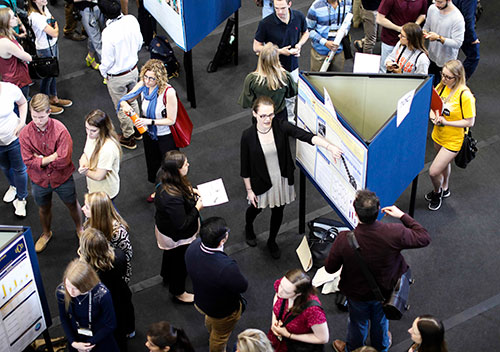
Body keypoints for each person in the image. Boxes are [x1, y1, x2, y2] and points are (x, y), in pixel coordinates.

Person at [326, 190, 431, 352]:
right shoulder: (394, 232)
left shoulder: (344, 239)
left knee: (357, 322)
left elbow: (330, 268)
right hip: (385, 292)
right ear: (379, 209)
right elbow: (424, 237)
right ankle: (381, 347)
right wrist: (402, 215)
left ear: (355, 213)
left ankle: (353, 349)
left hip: (356, 293)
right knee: (381, 321)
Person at [240, 96, 342, 259]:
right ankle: (248, 227)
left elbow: (305, 136)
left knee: (278, 210)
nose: (267, 119)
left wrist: (329, 146)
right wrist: (249, 190)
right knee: (256, 208)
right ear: (254, 114)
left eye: (271, 115)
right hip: (261, 180)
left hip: (281, 179)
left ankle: (272, 240)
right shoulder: (248, 136)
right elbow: (244, 166)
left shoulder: (280, 126)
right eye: (263, 116)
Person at [19, 93, 83, 252]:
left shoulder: (61, 130)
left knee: (72, 204)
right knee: (43, 208)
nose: (37, 121)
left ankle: (80, 229)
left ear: (49, 112)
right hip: (39, 181)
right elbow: (27, 161)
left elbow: (63, 160)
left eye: (41, 117)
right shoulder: (25, 133)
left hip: (62, 178)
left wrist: (39, 160)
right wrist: (50, 157)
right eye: (34, 117)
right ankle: (46, 233)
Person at [185, 217, 248, 352]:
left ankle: (211, 329)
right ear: (222, 240)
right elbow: (242, 286)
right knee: (219, 337)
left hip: (201, 300)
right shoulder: (225, 267)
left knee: (211, 322)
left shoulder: (193, 246)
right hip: (222, 310)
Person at [119, 59, 178, 202]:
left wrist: (148, 121)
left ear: (159, 78)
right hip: (149, 134)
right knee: (153, 164)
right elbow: (124, 99)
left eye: (152, 78)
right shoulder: (143, 86)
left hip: (165, 135)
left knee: (170, 166)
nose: (147, 81)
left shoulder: (168, 92)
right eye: (145, 76)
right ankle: (158, 190)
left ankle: (173, 191)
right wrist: (125, 105)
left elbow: (171, 120)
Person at [426, 59, 475, 211]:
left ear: (458, 77)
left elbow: (469, 122)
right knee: (444, 164)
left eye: (448, 77)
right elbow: (433, 105)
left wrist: (446, 122)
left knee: (433, 171)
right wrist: (433, 116)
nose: (444, 79)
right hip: (438, 135)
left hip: (453, 140)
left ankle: (437, 191)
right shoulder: (441, 86)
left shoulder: (465, 96)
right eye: (443, 75)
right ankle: (445, 187)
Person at [154, 151, 201, 304]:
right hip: (177, 236)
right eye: (185, 164)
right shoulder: (171, 197)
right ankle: (178, 292)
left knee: (170, 256)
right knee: (180, 263)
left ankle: (166, 275)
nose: (188, 165)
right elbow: (182, 224)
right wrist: (197, 207)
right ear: (177, 170)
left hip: (166, 230)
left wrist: (191, 191)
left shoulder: (164, 175)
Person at [78, 228, 135, 351]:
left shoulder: (90, 272)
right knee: (126, 313)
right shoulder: (119, 255)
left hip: (106, 303)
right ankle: (130, 331)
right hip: (122, 292)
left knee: (115, 330)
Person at [253, 0, 309, 121]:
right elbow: (256, 47)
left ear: (290, 4)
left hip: (292, 66)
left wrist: (299, 45)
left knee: (291, 97)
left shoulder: (298, 16)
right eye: (276, 8)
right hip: (272, 67)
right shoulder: (265, 23)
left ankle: (289, 120)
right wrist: (279, 51)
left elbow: (306, 33)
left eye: (282, 8)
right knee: (274, 98)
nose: (279, 12)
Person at [99, 2, 143, 150]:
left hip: (117, 76)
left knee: (122, 107)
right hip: (133, 70)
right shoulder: (131, 20)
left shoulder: (108, 32)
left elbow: (107, 59)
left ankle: (128, 137)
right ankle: (138, 129)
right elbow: (139, 42)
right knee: (133, 101)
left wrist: (104, 73)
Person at [56, 259, 119, 352]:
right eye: (67, 286)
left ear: (85, 285)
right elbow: (64, 318)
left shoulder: (101, 294)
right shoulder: (62, 291)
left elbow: (110, 324)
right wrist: (73, 342)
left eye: (75, 288)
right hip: (76, 338)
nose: (70, 291)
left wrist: (88, 345)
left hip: (99, 338)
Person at [28, 0, 73, 115]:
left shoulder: (44, 8)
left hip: (52, 46)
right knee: (47, 77)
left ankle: (54, 98)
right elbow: (54, 32)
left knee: (53, 73)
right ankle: (45, 103)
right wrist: (55, 28)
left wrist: (54, 27)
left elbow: (53, 21)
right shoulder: (35, 16)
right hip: (44, 49)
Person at [267, 269, 329, 352]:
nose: (280, 291)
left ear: (299, 293)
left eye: (286, 291)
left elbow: (323, 338)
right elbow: (277, 297)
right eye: (281, 286)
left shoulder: (313, 311)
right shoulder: (284, 286)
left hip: (295, 345)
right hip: (279, 337)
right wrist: (274, 321)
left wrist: (288, 335)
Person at [238, 43, 297, 122]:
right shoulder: (285, 77)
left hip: (261, 118)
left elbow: (246, 102)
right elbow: (292, 93)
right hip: (280, 117)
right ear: (276, 59)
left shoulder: (251, 79)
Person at [82, 191, 133, 282]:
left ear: (96, 212)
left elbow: (127, 255)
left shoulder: (118, 233)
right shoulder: (89, 220)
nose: (82, 209)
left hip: (111, 269)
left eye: (86, 207)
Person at [78, 109, 122, 201]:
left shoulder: (108, 149)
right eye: (87, 128)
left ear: (103, 129)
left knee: (105, 214)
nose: (88, 133)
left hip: (105, 192)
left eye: (93, 130)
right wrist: (83, 163)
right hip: (94, 187)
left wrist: (85, 172)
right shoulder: (92, 136)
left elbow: (99, 176)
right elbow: (86, 153)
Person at [0, 81, 28, 217]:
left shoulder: (9, 89)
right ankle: (13, 186)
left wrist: (22, 122)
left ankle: (22, 199)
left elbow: (22, 103)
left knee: (20, 169)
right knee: (5, 167)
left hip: (14, 138)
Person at [376, 0, 427, 73]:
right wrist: (400, 29)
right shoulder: (399, 43)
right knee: (384, 69)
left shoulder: (422, 59)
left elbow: (423, 15)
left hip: (410, 40)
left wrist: (412, 27)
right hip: (390, 38)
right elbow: (379, 19)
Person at [423, 0, 465, 86]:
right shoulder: (432, 8)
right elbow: (426, 26)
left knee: (443, 89)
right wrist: (424, 33)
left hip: (446, 60)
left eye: (440, 2)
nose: (437, 4)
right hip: (431, 56)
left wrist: (439, 38)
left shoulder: (457, 18)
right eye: (435, 1)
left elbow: (457, 43)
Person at [307, 0, 353, 72]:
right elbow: (308, 29)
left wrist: (344, 32)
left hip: (338, 50)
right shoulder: (316, 7)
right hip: (320, 51)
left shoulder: (347, 3)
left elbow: (348, 22)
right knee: (317, 79)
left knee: (337, 79)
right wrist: (325, 42)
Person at [0, 8, 32, 98]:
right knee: (21, 103)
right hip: (17, 79)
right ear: (6, 22)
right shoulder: (5, 43)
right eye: (13, 18)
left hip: (10, 76)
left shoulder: (7, 33)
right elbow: (28, 57)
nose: (16, 19)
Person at [72, 0, 105, 70]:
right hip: (86, 10)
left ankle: (90, 56)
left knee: (95, 36)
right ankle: (107, 72)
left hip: (100, 5)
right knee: (97, 40)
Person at [452, 0, 480, 80]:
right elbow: (468, 19)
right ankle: (458, 81)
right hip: (462, 31)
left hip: (449, 26)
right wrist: (473, 38)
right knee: (474, 56)